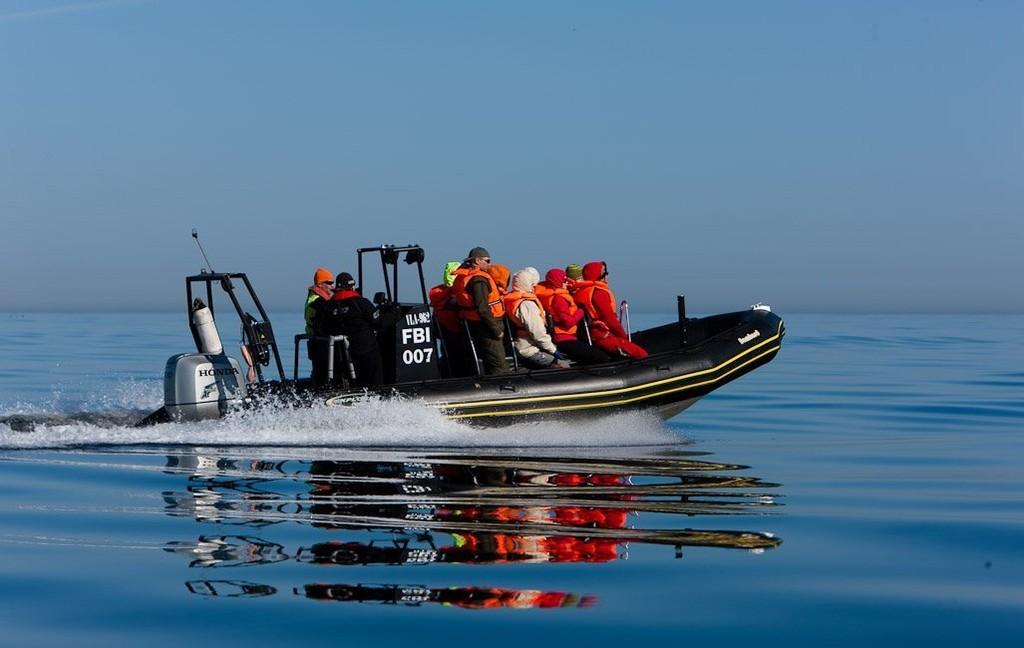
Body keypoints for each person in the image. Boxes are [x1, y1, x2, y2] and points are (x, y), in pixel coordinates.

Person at [315, 272, 384, 387]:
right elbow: (380, 321)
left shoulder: (328, 306)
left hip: (340, 354)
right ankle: (378, 391)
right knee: (374, 365)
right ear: (352, 286)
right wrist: (395, 313)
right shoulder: (361, 303)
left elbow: (321, 326)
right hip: (363, 350)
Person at [450, 246, 510, 375]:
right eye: (487, 261)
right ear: (477, 261)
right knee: (498, 362)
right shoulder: (479, 280)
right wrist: (496, 330)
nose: (489, 264)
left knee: (486, 357)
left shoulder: (463, 277)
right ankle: (503, 383)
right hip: (487, 325)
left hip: (473, 323)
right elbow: (483, 308)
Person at [535, 268, 612, 365]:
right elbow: (568, 322)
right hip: (564, 339)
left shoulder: (558, 296)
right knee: (600, 356)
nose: (566, 283)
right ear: (557, 281)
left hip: (568, 337)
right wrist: (580, 311)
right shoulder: (559, 300)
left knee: (592, 353)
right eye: (564, 281)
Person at [573, 261, 648, 359]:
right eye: (605, 273)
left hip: (590, 336)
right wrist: (623, 336)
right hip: (602, 336)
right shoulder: (598, 293)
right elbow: (610, 319)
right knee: (641, 354)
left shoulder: (580, 293)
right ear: (599, 276)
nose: (607, 276)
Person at [503, 267, 569, 369]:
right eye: (531, 283)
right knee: (563, 365)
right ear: (526, 284)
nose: (535, 285)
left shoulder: (511, 300)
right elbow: (538, 332)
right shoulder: (527, 304)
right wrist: (553, 350)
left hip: (518, 346)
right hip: (528, 349)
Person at [429, 261, 473, 377]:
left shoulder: (439, 296)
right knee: (459, 361)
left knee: (447, 357)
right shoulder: (455, 299)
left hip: (445, 335)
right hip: (457, 334)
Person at [304, 267, 334, 385]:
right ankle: (321, 391)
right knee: (321, 371)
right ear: (321, 284)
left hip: (318, 340)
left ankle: (317, 387)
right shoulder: (316, 301)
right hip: (318, 341)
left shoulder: (317, 297)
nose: (332, 286)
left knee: (319, 371)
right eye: (329, 283)